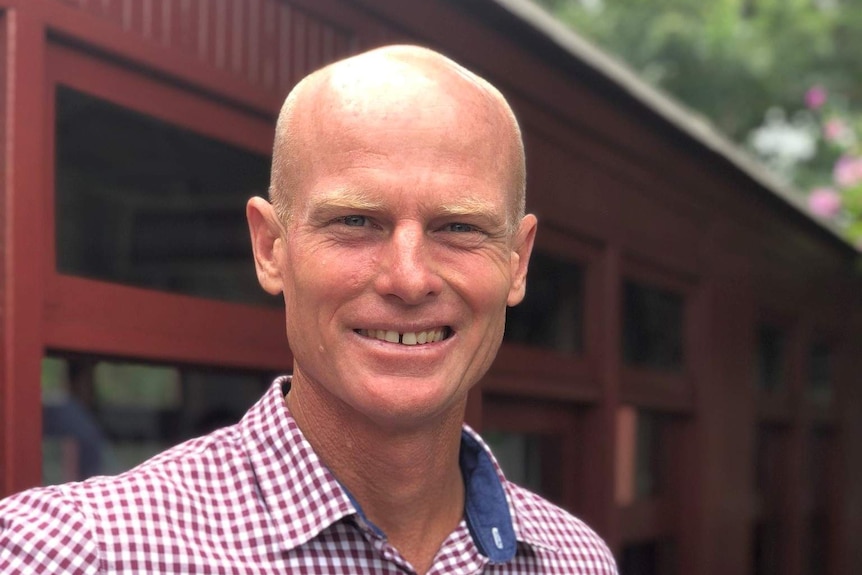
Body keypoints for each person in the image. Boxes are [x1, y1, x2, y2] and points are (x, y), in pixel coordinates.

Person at [0, 45, 617, 574]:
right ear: (270, 248)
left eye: (458, 227)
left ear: (517, 261)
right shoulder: (74, 553)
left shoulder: (576, 558)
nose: (408, 278)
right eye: (355, 221)